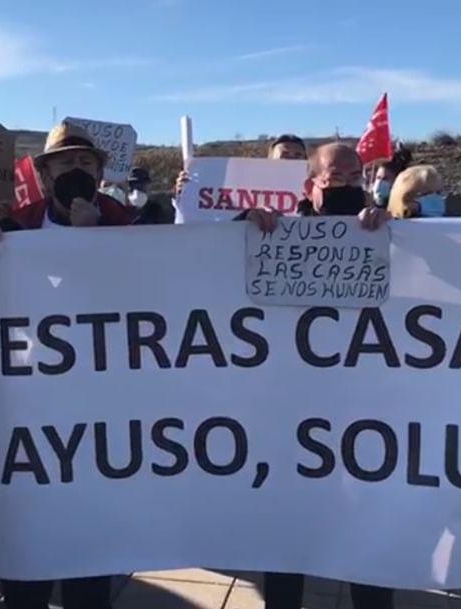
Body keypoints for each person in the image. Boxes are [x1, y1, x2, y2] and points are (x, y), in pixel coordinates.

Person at [0, 122, 161, 609]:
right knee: (28, 536)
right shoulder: (14, 227)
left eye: (86, 164)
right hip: (30, 404)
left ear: (99, 173)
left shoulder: (134, 225)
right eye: (66, 162)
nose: (76, 170)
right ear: (46, 171)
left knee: (88, 540)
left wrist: (94, 240)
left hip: (101, 405)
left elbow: (151, 294)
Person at [242, 143, 393, 609]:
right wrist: (243, 225)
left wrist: (396, 232)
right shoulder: (273, 230)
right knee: (289, 530)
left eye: (355, 178)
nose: (347, 187)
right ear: (311, 186)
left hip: (363, 415)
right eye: (335, 180)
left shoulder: (384, 231)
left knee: (368, 531)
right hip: (288, 415)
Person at [174, 133, 307, 198]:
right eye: (285, 155)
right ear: (269, 160)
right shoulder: (249, 187)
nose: (292, 160)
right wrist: (186, 192)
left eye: (298, 156)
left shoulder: (315, 190)